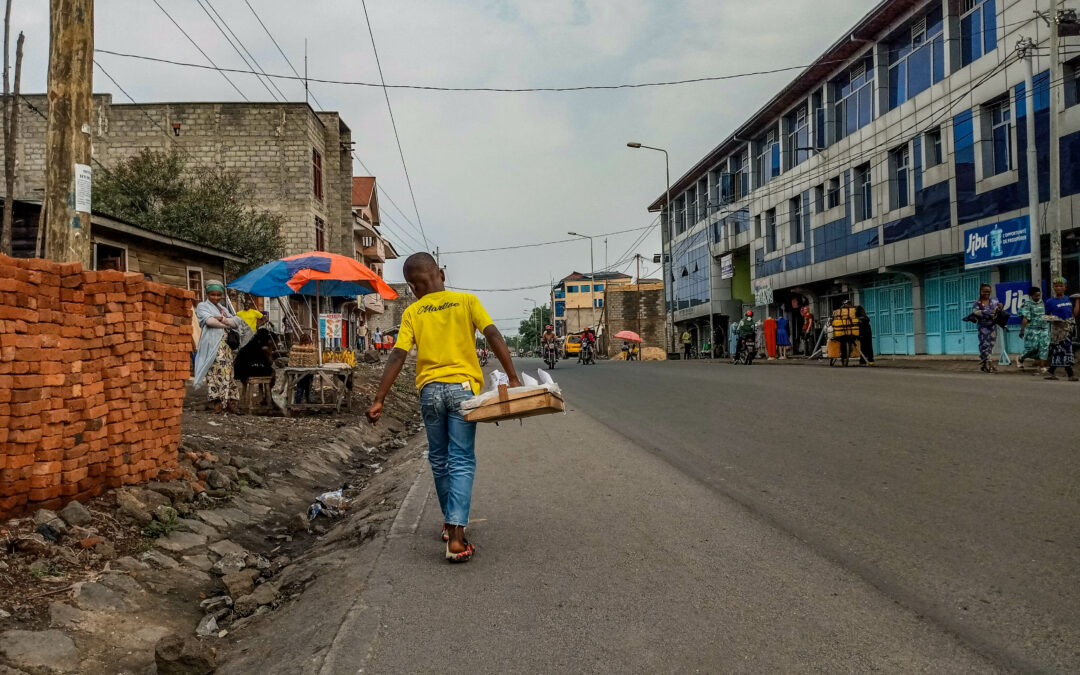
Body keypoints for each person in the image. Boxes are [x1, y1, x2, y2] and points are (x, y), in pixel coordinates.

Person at [367, 253, 521, 563]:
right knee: (461, 458)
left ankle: (449, 522)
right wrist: (513, 377)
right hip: (462, 389)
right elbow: (492, 335)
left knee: (439, 459)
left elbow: (397, 355)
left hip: (430, 392)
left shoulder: (413, 312)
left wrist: (380, 398)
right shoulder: (466, 301)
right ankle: (456, 537)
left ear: (412, 286)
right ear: (441, 274)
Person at [194, 281, 242, 413]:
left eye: (218, 295)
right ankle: (218, 403)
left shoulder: (223, 308)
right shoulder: (202, 306)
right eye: (212, 294)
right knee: (215, 373)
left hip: (226, 347)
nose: (215, 297)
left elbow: (236, 321)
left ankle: (229, 402)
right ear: (207, 294)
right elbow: (209, 321)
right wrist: (226, 322)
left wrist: (220, 318)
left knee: (228, 373)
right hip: (212, 346)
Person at [1044, 277, 1079, 381]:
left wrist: (1077, 301)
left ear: (1065, 287)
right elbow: (1045, 315)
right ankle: (1070, 374)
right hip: (1057, 330)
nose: (1058, 288)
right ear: (1053, 288)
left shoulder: (1069, 299)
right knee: (1063, 349)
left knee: (1059, 351)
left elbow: (1074, 314)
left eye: (1061, 286)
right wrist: (1053, 319)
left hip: (1068, 328)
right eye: (1056, 286)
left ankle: (1051, 372)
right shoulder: (1050, 301)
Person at [971, 283, 1004, 373]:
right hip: (983, 327)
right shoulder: (977, 303)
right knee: (984, 345)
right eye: (984, 291)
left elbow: (998, 311)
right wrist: (988, 312)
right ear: (980, 292)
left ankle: (984, 363)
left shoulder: (994, 301)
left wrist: (1000, 307)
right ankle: (990, 365)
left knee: (990, 346)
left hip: (993, 327)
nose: (987, 293)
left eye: (988, 291)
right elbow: (975, 312)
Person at [1018, 286, 1049, 374]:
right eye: (1036, 296)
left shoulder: (1042, 302)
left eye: (1039, 295)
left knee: (1044, 347)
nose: (1038, 297)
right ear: (1031, 296)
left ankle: (1042, 366)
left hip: (1044, 329)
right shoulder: (1027, 304)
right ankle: (1020, 358)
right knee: (1032, 347)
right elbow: (1025, 318)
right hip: (1032, 330)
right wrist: (1022, 330)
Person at [831, 300, 859, 367]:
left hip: (844, 332)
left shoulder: (839, 311)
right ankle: (844, 357)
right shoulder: (853, 310)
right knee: (844, 344)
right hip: (849, 332)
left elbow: (833, 319)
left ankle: (844, 358)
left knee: (841, 344)